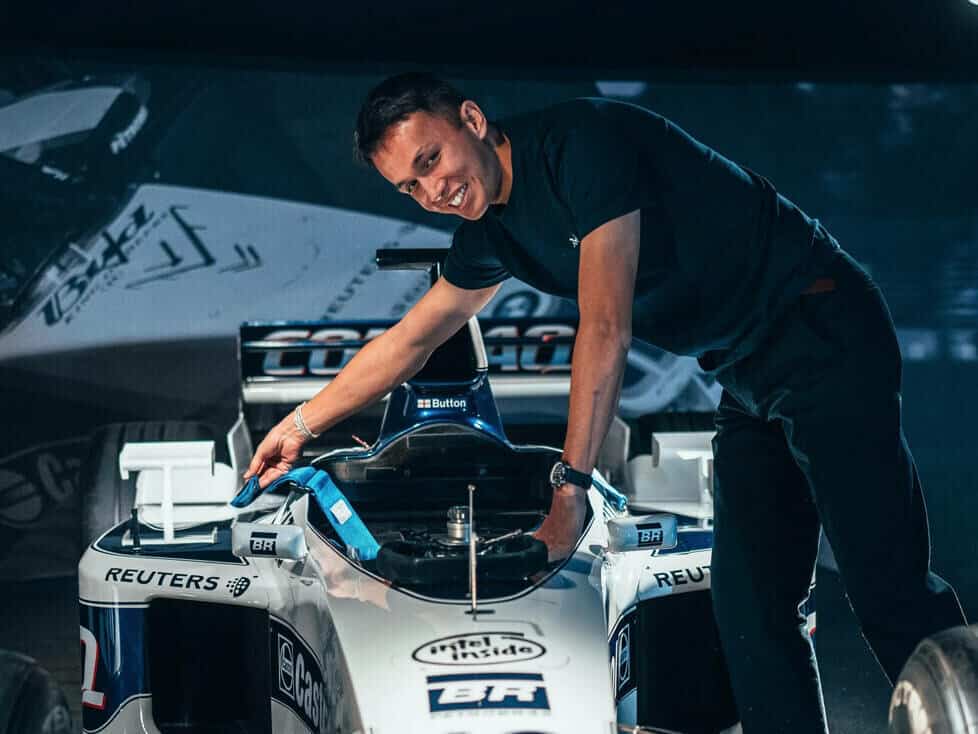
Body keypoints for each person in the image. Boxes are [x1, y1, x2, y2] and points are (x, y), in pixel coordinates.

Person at [243, 72, 966, 732]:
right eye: (409, 187)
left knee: (886, 586)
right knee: (750, 607)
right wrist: (299, 425)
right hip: (747, 371)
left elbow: (606, 326)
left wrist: (570, 491)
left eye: (430, 160)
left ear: (472, 119)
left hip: (820, 326)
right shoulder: (491, 233)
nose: (432, 191)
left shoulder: (582, 145)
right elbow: (411, 342)